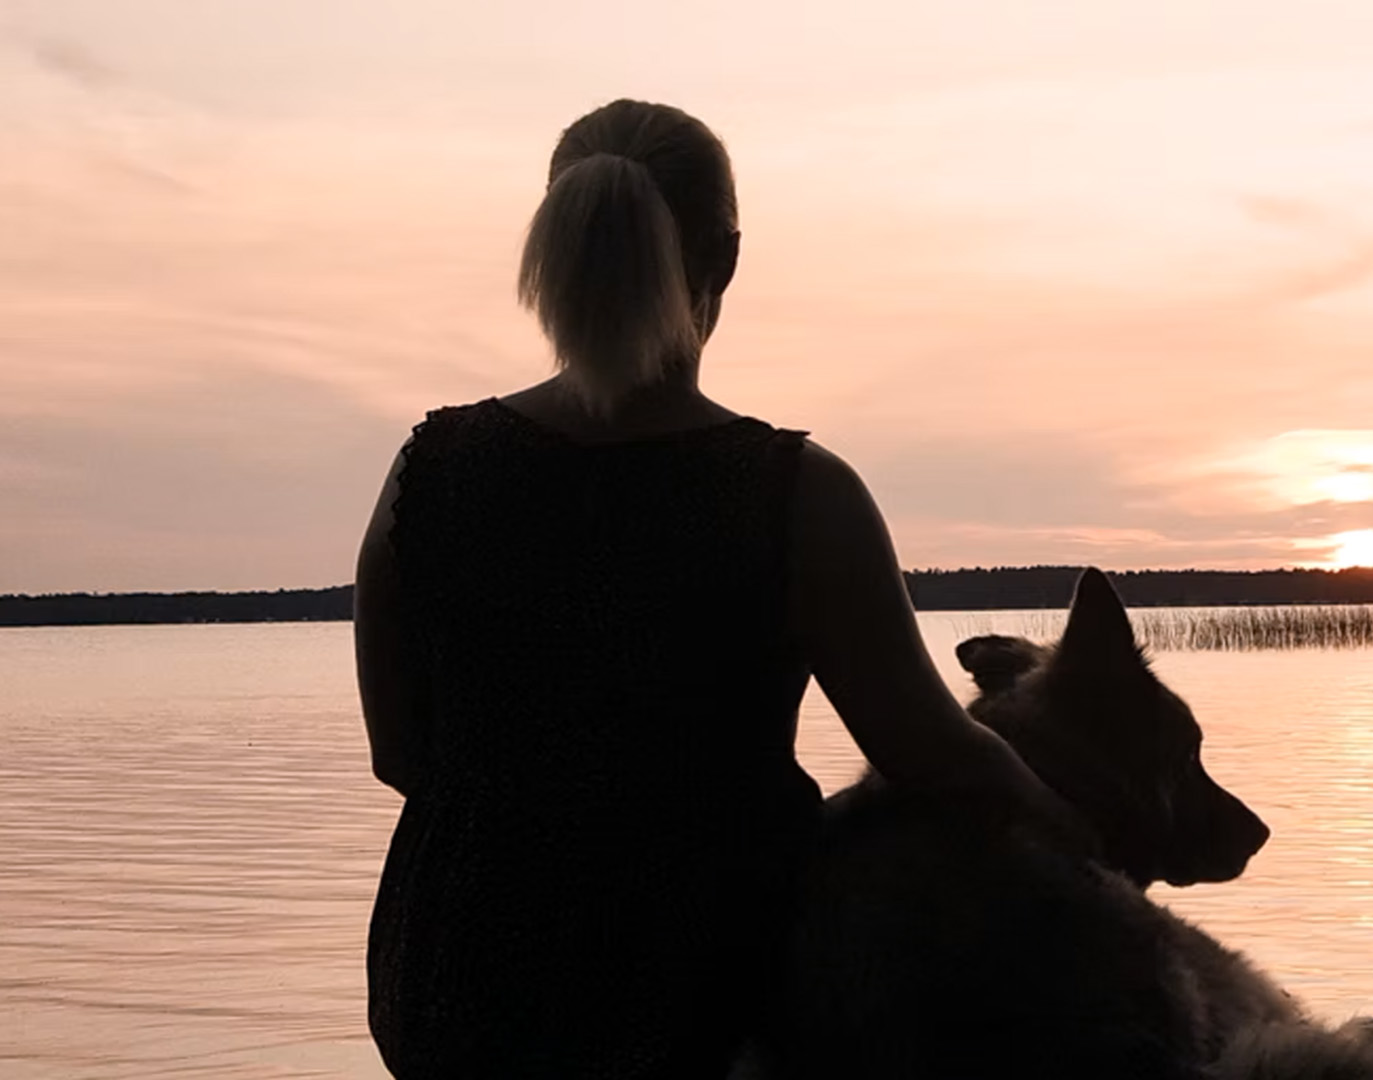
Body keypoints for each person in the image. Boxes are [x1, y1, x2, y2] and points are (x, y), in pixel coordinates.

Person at [353, 99, 1089, 1078]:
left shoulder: (428, 471)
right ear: (726, 259)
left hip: (458, 983)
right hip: (712, 991)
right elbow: (932, 753)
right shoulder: (793, 494)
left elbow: (400, 752)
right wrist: (1087, 835)